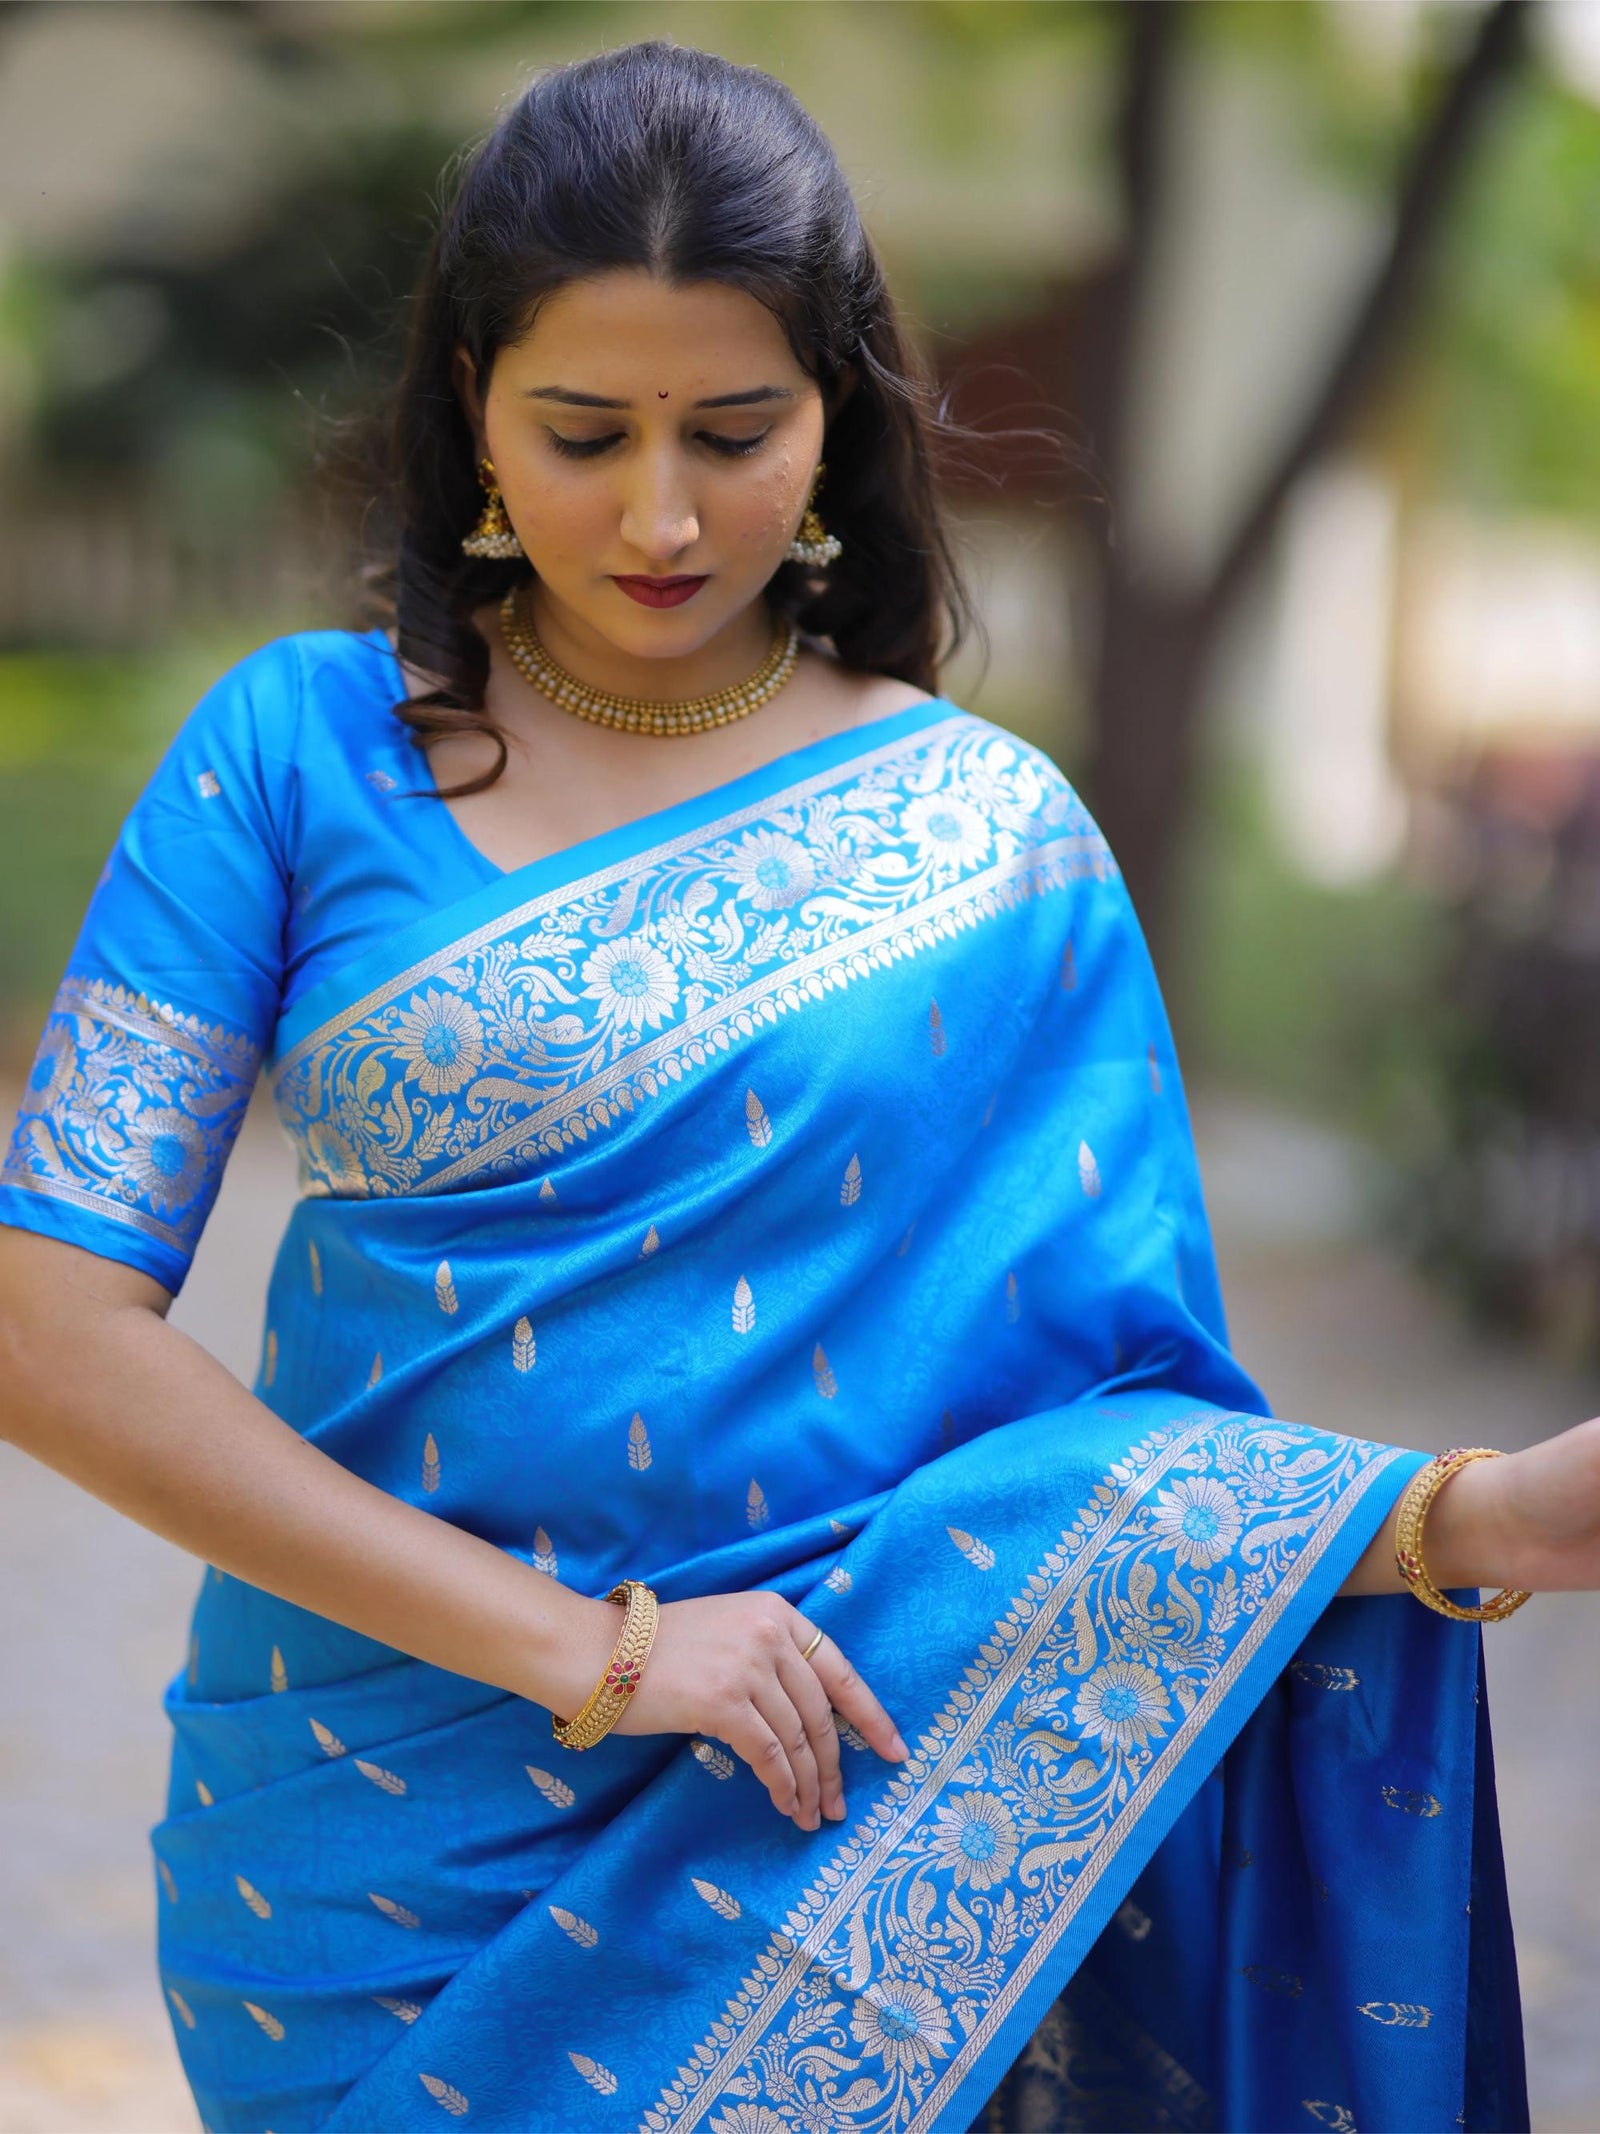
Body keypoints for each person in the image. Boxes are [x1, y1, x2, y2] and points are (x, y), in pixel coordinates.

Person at [0, 36, 1595, 2134]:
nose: (658, 512)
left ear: (835, 416)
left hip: (841, 1807)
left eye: (731, 430)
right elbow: (50, 1324)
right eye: (582, 432)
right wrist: (593, 1645)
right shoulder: (295, 757)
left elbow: (1108, 1446)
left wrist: (1460, 1518)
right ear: (469, 406)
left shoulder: (983, 840)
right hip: (356, 1849)